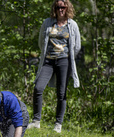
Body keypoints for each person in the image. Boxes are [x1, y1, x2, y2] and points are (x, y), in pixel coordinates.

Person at [28, 0, 81, 133]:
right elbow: (41, 42)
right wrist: (47, 54)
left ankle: (58, 124)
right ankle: (36, 121)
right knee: (38, 87)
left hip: (64, 61)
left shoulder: (72, 25)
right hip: (48, 61)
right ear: (55, 8)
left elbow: (77, 46)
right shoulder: (47, 22)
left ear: (67, 8)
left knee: (61, 92)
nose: (60, 9)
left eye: (63, 7)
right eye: (58, 7)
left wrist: (68, 58)